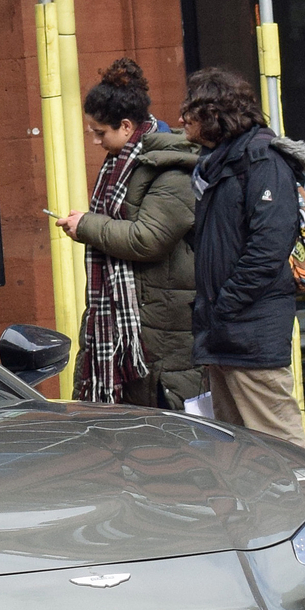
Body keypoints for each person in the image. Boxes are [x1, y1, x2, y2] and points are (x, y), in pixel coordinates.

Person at [52, 58, 204, 408]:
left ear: (124, 126)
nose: (95, 141)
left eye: (100, 132)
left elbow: (147, 239)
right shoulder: (121, 164)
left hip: (163, 328)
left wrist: (88, 225)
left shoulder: (171, 166)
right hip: (136, 322)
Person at [180, 66, 305, 447]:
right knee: (239, 446)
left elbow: (268, 248)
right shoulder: (220, 165)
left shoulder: (262, 161)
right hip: (225, 330)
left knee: (279, 443)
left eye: (189, 110)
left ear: (214, 114)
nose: (181, 118)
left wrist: (226, 304)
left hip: (248, 329)